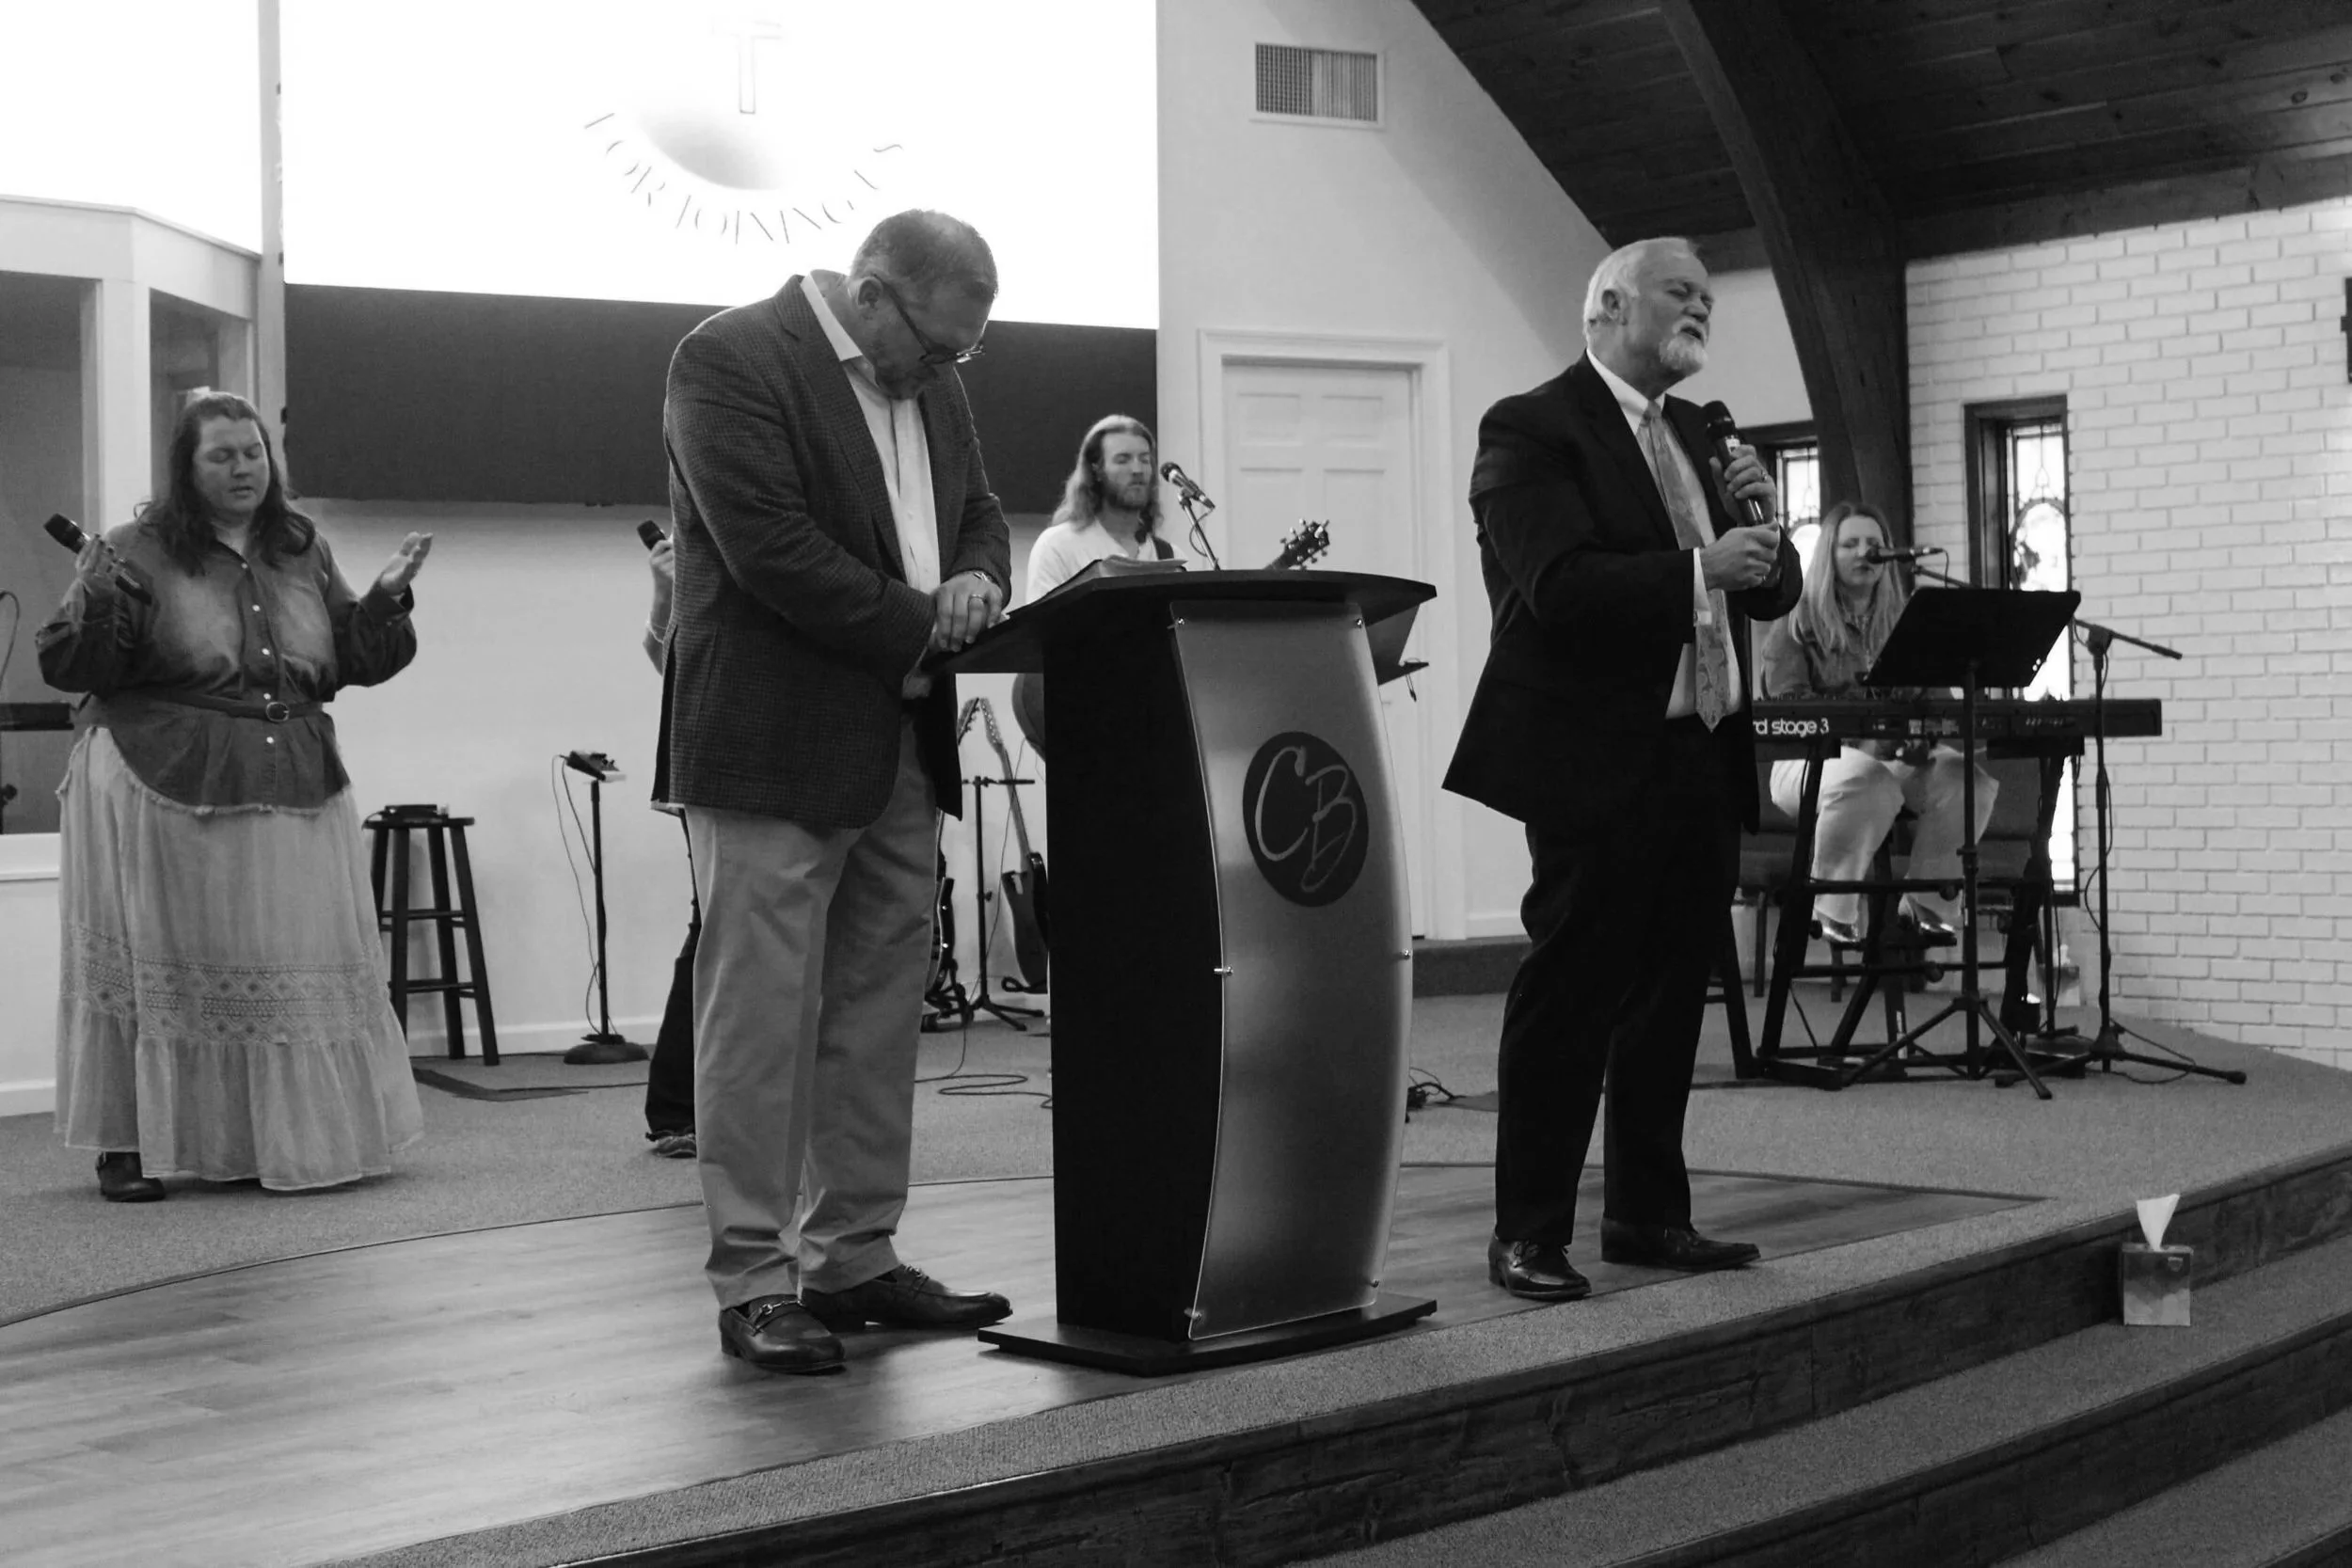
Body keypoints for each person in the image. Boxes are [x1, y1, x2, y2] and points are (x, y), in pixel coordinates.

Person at [662, 209, 1015, 1374]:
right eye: (939, 343)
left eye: (967, 351)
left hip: (901, 739)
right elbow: (769, 548)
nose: (949, 368)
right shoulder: (731, 359)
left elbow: (975, 512)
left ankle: (855, 1255)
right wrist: (926, 621)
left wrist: (976, 574)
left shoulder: (937, 382)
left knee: (874, 1013)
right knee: (760, 1020)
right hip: (773, 740)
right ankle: (757, 1280)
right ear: (871, 294)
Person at [1443, 237, 1803, 1302]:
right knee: (1573, 992)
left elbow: (1770, 598)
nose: (1699, 309)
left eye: (1705, 297)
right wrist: (1700, 565)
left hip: (1697, 746)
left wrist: (1761, 527)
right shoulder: (1530, 426)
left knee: (1668, 995)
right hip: (1592, 753)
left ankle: (1648, 1213)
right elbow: (1556, 584)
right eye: (1677, 294)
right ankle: (1527, 1230)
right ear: (1607, 306)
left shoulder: (1696, 430)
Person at [35, 391, 431, 1200]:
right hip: (164, 776)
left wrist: (387, 596)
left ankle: (269, 1137)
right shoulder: (131, 549)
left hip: (294, 773)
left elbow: (350, 660)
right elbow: (73, 666)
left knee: (287, 961)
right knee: (159, 966)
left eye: (252, 452)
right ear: (186, 466)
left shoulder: (300, 546)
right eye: (223, 455)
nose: (244, 467)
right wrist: (101, 594)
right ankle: (126, 1143)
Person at [1756, 500, 1997, 946]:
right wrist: (1866, 741)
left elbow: (1938, 706)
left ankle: (1927, 903)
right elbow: (1789, 713)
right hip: (1807, 764)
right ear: (1829, 553)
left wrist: (1925, 740)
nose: (1864, 552)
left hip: (1887, 765)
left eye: (1875, 544)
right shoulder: (1795, 622)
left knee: (1969, 782)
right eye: (1851, 543)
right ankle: (1830, 906)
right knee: (1865, 778)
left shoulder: (1906, 623)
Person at [1013, 414, 1176, 752]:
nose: (1138, 469)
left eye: (1145, 459)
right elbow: (1040, 639)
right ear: (1096, 470)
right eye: (1123, 459)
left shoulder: (1168, 553)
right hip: (1081, 717)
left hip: (1153, 723)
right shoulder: (1059, 544)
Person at [639, 529, 696, 1158]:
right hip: (714, 769)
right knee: (715, 933)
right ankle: (676, 1106)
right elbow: (666, 660)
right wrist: (665, 590)